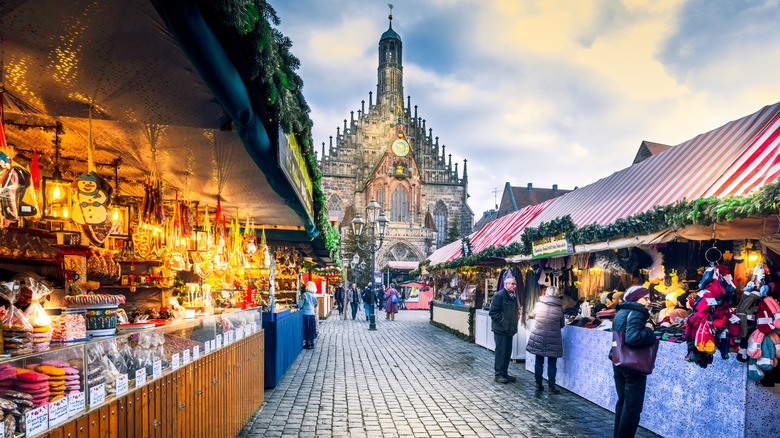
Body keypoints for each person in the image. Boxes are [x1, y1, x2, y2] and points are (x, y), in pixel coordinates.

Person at [611, 286, 657, 438]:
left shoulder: (621, 312)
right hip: (634, 365)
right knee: (632, 408)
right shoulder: (637, 312)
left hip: (619, 362)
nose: (648, 302)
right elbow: (633, 338)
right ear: (635, 298)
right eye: (645, 298)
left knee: (623, 403)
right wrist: (649, 330)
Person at [526, 286, 565, 394]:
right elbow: (562, 324)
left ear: (546, 293)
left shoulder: (538, 305)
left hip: (539, 336)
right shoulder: (559, 307)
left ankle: (538, 385)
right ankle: (551, 388)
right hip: (554, 338)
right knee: (552, 363)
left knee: (539, 361)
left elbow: (534, 316)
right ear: (557, 294)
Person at [488, 273, 519, 384]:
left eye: (515, 284)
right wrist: (502, 321)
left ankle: (504, 373)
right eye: (512, 284)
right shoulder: (499, 295)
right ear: (506, 284)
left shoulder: (513, 296)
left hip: (509, 329)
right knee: (500, 352)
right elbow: (493, 312)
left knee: (507, 352)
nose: (515, 286)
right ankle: (498, 374)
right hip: (501, 329)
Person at [299, 281, 319, 349]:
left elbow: (300, 305)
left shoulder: (304, 295)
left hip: (305, 313)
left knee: (306, 328)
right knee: (311, 328)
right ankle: (312, 342)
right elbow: (316, 304)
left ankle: (307, 343)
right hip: (312, 314)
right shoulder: (314, 295)